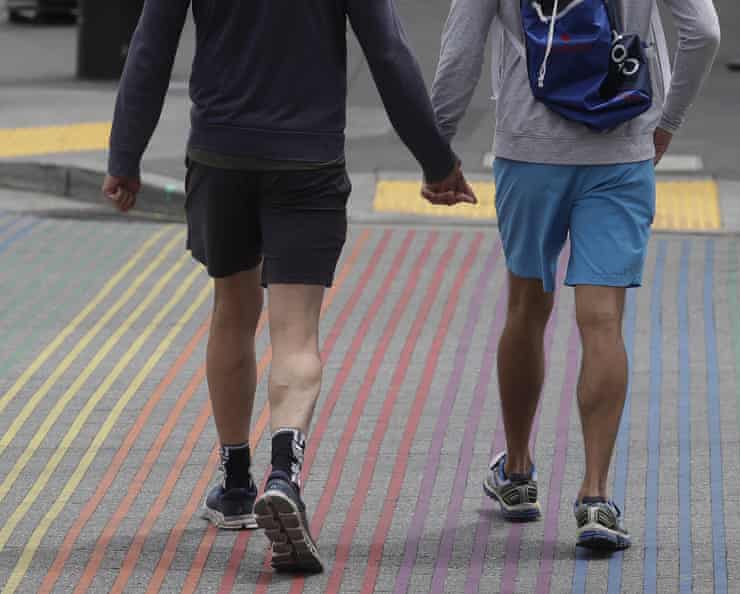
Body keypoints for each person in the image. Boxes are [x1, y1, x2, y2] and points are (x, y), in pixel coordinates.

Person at [103, 0, 475, 574]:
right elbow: (389, 53)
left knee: (232, 309)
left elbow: (151, 46)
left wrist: (124, 157)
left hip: (220, 155)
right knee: (296, 332)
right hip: (307, 158)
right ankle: (284, 475)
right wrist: (436, 161)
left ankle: (233, 484)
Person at [427, 0, 719, 550]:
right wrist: (667, 119)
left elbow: (460, 49)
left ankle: (516, 474)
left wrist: (436, 146)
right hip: (621, 148)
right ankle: (595, 498)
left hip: (529, 151)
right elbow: (703, 31)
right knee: (602, 321)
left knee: (526, 309)